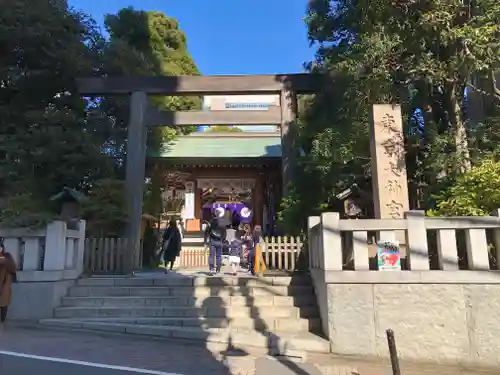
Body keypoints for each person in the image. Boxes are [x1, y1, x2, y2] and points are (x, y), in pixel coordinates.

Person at [204, 207, 228, 276]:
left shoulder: (211, 221)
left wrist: (205, 241)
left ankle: (211, 269)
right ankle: (218, 269)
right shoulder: (222, 222)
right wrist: (223, 240)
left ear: (215, 213)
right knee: (219, 256)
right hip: (219, 240)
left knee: (211, 255)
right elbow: (224, 233)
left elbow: (207, 231)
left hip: (212, 240)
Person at [0, 240, 17, 328]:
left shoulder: (7, 256)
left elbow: (12, 266)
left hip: (4, 282)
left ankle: (2, 319)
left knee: (3, 302)